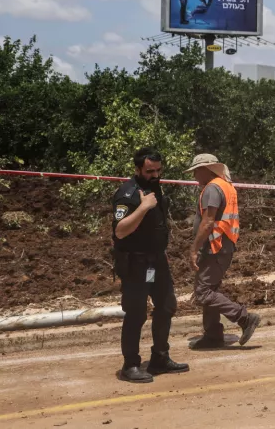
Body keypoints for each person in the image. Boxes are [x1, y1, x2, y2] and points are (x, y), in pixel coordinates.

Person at [111, 147, 188, 383]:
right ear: (137, 169)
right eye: (149, 171)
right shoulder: (128, 194)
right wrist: (143, 208)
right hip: (135, 262)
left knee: (167, 306)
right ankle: (130, 365)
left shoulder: (154, 187)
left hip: (157, 259)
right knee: (136, 313)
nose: (155, 175)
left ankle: (160, 358)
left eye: (158, 170)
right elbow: (120, 231)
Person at [186, 154, 260, 349]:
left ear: (207, 169)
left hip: (214, 247)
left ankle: (244, 318)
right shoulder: (225, 185)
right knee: (210, 290)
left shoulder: (212, 188)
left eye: (196, 170)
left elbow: (208, 221)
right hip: (221, 246)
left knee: (203, 293)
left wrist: (194, 248)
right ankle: (213, 335)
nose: (194, 175)